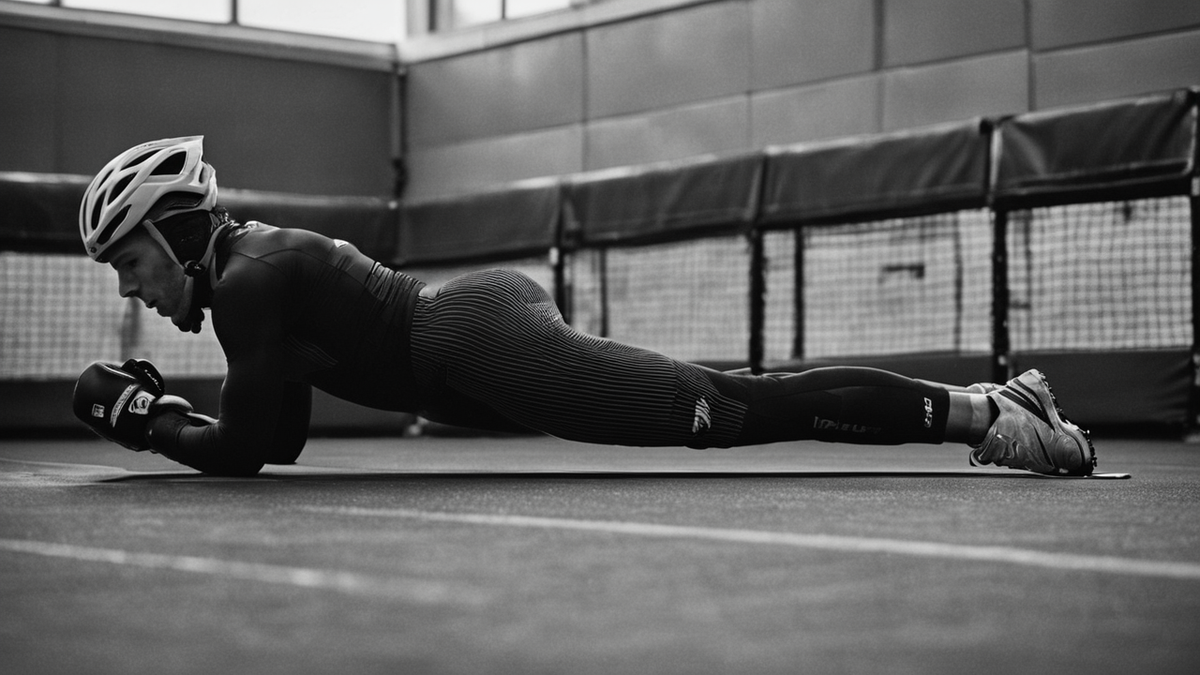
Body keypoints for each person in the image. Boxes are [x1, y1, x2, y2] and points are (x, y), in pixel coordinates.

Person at [72, 137, 1097, 478]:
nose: (130, 287)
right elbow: (278, 440)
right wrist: (170, 422)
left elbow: (243, 453)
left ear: (173, 232)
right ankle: (989, 403)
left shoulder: (247, 284)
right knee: (727, 400)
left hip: (466, 338)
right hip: (461, 344)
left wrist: (141, 419)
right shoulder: (247, 278)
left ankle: (992, 411)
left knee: (735, 410)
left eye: (129, 261)